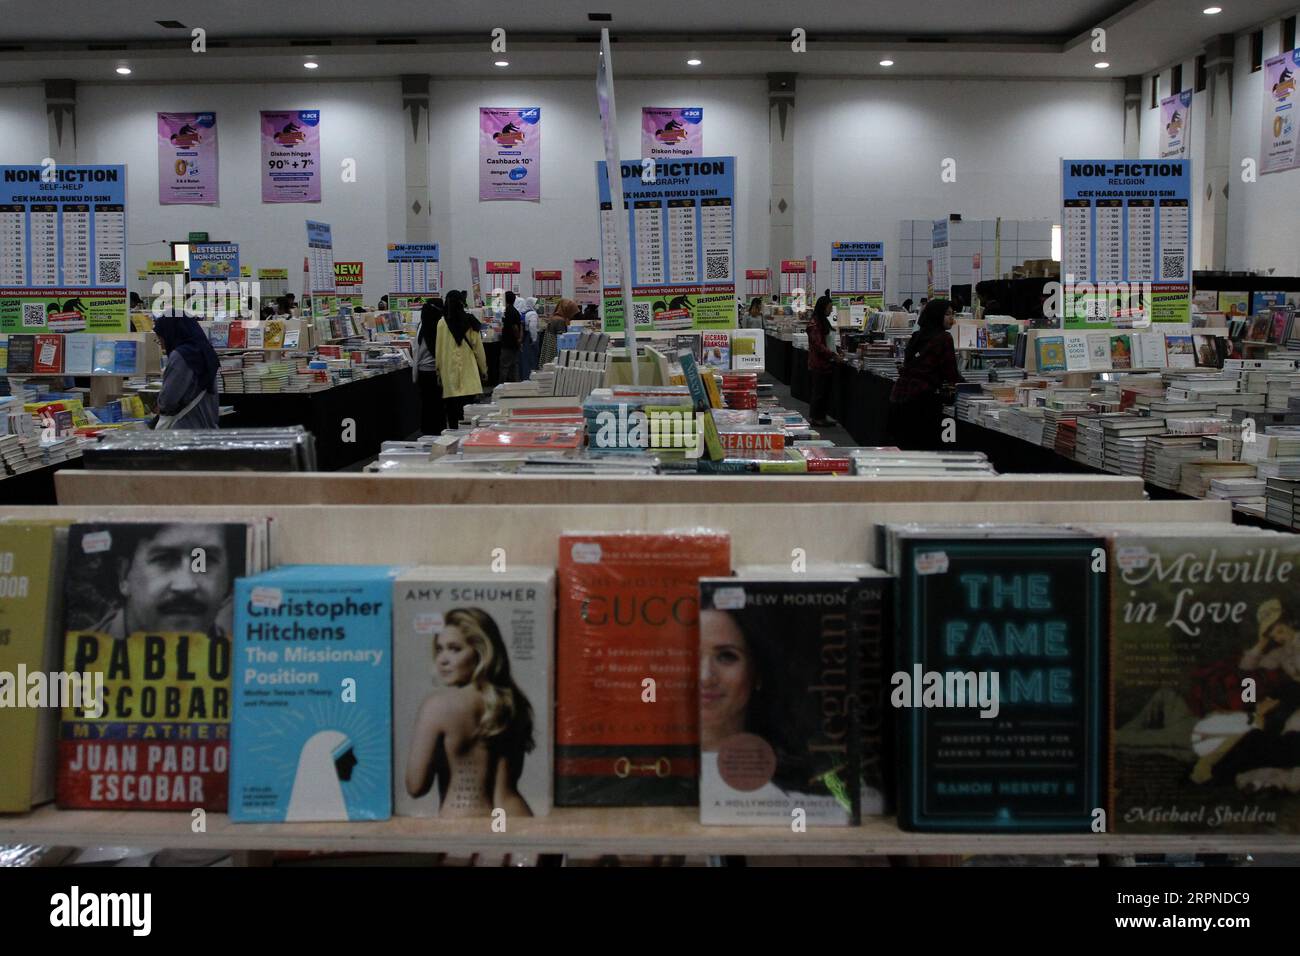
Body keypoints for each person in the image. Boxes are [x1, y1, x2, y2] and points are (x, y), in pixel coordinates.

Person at [405, 608, 536, 818]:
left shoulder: (438, 706)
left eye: (455, 649)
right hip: (516, 819)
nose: (442, 659)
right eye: (439, 649)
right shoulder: (513, 702)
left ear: (481, 652)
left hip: (467, 823)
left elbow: (416, 786)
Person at [888, 298, 962, 450]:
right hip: (925, 399)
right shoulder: (944, 338)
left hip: (902, 397)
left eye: (953, 314)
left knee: (906, 447)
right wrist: (970, 386)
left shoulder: (917, 336)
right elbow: (951, 372)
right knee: (924, 447)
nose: (952, 319)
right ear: (937, 315)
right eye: (947, 314)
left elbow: (908, 364)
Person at [153, 311, 220, 429]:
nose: (162, 345)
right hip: (206, 423)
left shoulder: (181, 356)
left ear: (170, 333)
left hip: (184, 427)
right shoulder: (204, 351)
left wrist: (159, 405)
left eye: (161, 339)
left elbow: (169, 400)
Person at [435, 290, 487, 430]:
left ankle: (452, 443)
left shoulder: (441, 323)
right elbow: (478, 348)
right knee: (469, 416)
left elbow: (438, 351)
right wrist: (484, 369)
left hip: (449, 376)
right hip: (468, 375)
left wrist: (438, 372)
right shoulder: (470, 321)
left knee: (453, 416)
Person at [412, 296, 444, 434]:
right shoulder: (438, 325)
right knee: (437, 405)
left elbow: (416, 349)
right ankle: (437, 431)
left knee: (427, 404)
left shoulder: (422, 325)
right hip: (434, 372)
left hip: (422, 371)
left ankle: (427, 431)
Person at [807, 292, 836, 428]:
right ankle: (816, 417)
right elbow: (818, 345)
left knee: (824, 392)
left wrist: (836, 352)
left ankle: (820, 416)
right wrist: (832, 354)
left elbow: (828, 341)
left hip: (826, 362)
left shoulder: (823, 321)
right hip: (819, 363)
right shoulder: (814, 323)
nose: (830, 310)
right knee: (819, 392)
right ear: (823, 307)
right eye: (829, 308)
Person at [540, 298, 579, 367]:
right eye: (572, 312)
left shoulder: (554, 317)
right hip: (555, 350)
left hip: (549, 349)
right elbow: (563, 340)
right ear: (567, 310)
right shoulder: (560, 321)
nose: (572, 315)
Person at [499, 290, 523, 384]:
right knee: (514, 365)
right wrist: (519, 340)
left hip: (508, 343)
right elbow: (519, 326)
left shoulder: (508, 311)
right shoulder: (515, 311)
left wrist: (517, 338)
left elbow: (515, 327)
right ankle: (515, 386)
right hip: (514, 343)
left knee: (504, 366)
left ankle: (501, 387)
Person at [517, 296, 541, 379]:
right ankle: (531, 377)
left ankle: (524, 376)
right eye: (536, 303)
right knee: (532, 358)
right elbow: (532, 327)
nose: (537, 305)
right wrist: (534, 339)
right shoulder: (533, 314)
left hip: (524, 337)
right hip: (530, 337)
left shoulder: (524, 312)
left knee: (524, 359)